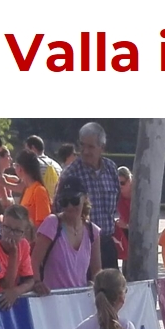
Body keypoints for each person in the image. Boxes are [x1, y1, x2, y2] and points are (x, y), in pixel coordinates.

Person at [58, 123, 122, 270]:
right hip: (81, 245)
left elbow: (116, 199)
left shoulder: (111, 169)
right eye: (82, 145)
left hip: (107, 244)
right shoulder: (70, 174)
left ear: (102, 148)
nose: (85, 151)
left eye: (91, 147)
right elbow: (58, 209)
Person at [31, 175, 102, 293]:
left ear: (85, 198)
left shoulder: (93, 231)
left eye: (74, 200)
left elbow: (97, 272)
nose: (69, 206)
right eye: (64, 202)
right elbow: (34, 261)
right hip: (52, 298)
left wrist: (94, 285)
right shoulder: (52, 224)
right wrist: (37, 283)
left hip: (79, 300)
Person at [0, 206, 36, 310]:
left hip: (9, 304)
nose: (11, 234)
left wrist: (17, 291)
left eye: (17, 231)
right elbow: (6, 286)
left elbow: (29, 280)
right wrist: (13, 255)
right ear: (1, 225)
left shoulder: (24, 245)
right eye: (7, 228)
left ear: (24, 233)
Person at [14, 149, 52, 228]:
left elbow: (44, 224)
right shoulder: (27, 189)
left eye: (15, 165)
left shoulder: (39, 190)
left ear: (20, 168)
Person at [24, 135, 61, 202]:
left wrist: (5, 183)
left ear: (33, 148)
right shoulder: (57, 165)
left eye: (26, 150)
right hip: (56, 203)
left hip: (40, 202)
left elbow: (23, 187)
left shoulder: (34, 164)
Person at [114, 166, 132, 261]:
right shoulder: (117, 195)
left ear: (129, 181)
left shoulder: (138, 194)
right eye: (117, 184)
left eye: (122, 183)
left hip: (138, 233)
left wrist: (127, 225)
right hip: (125, 232)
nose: (119, 186)